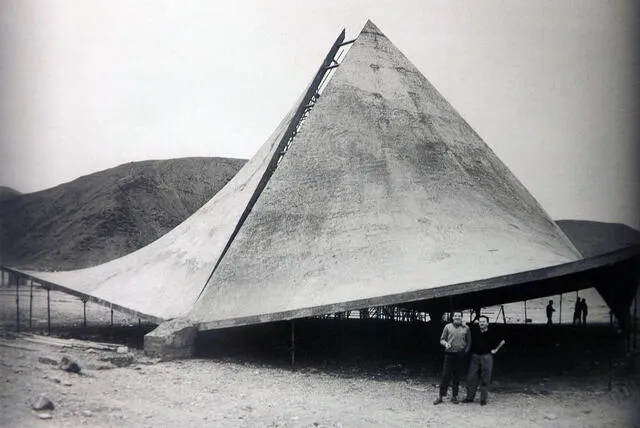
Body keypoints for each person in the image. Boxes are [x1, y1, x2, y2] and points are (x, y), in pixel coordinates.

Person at [463, 315, 506, 405]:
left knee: (485, 378)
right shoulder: (475, 331)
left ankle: (483, 399)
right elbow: (466, 329)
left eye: (483, 322)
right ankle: (469, 397)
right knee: (471, 378)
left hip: (487, 357)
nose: (481, 323)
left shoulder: (492, 332)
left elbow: (502, 341)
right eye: (480, 322)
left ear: (487, 323)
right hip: (475, 357)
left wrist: (496, 349)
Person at [433, 312, 471, 405]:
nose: (457, 317)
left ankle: (454, 396)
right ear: (453, 317)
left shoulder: (466, 328)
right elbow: (442, 339)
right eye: (456, 316)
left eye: (459, 316)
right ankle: (441, 396)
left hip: (460, 355)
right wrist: (446, 344)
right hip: (449, 354)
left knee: (457, 376)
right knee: (445, 375)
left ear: (461, 317)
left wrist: (465, 351)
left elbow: (469, 342)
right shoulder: (447, 327)